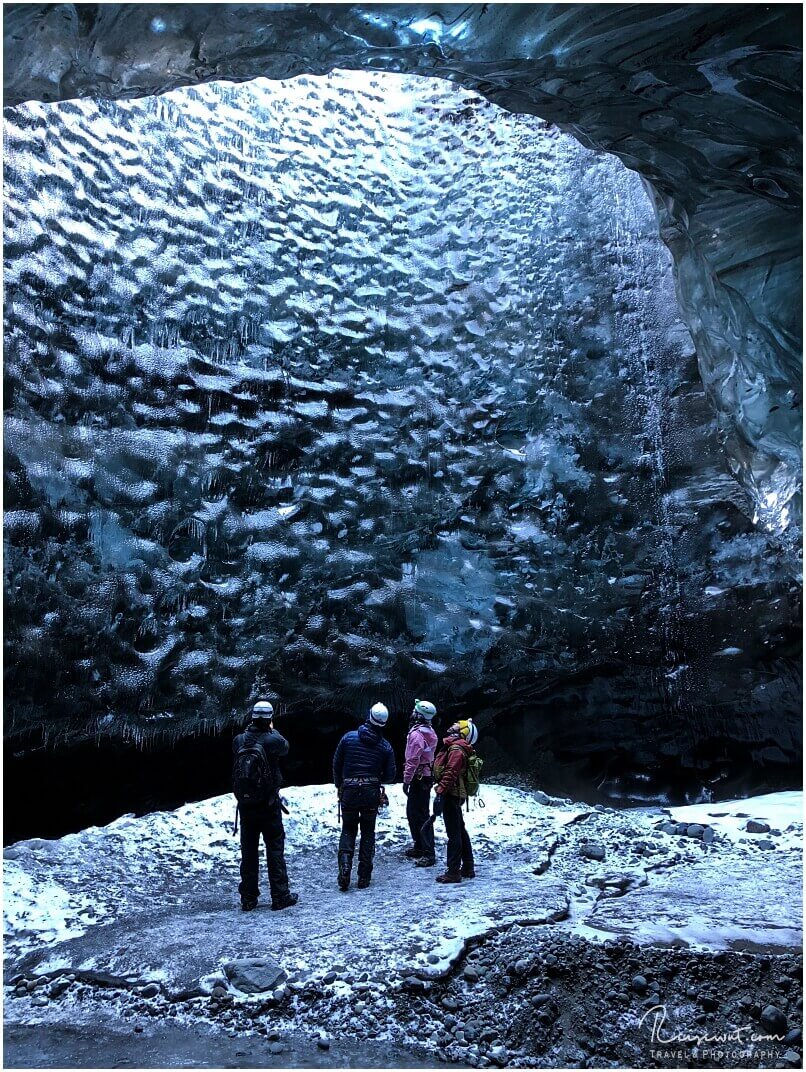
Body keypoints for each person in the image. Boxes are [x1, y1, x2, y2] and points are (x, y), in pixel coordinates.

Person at [232, 699, 298, 912]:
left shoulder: (239, 740)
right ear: (269, 718)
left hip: (246, 805)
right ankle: (280, 895)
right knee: (275, 848)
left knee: (249, 851)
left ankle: (248, 898)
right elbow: (285, 747)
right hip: (268, 804)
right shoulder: (273, 740)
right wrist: (272, 729)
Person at [332, 702, 396, 891]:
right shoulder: (385, 746)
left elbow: (336, 764)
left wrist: (339, 785)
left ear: (369, 716)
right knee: (368, 831)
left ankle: (344, 867)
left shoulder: (348, 738)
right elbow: (391, 775)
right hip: (370, 792)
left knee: (348, 829)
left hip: (349, 790)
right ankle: (364, 876)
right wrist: (377, 779)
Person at [431, 718, 478, 884]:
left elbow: (450, 772)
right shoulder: (455, 746)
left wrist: (440, 791)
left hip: (452, 793)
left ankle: (453, 872)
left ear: (464, 731)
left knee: (454, 833)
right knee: (460, 829)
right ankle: (468, 866)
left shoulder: (456, 749)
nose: (453, 724)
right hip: (455, 792)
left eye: (459, 724)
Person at [402, 699, 438, 867]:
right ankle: (420, 846)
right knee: (414, 812)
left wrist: (406, 780)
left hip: (419, 778)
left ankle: (428, 852)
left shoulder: (416, 735)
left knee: (420, 814)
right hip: (425, 775)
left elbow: (412, 759)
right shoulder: (429, 731)